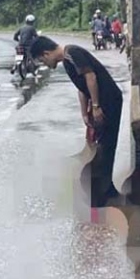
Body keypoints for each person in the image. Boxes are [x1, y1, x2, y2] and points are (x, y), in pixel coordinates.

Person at [30, 35, 123, 207]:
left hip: (109, 100)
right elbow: (81, 88)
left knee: (106, 145)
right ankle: (105, 188)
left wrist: (95, 106)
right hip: (101, 103)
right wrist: (84, 113)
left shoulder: (72, 52)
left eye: (42, 61)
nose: (45, 65)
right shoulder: (67, 61)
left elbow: (91, 77)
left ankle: (103, 192)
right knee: (101, 144)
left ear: (46, 53)